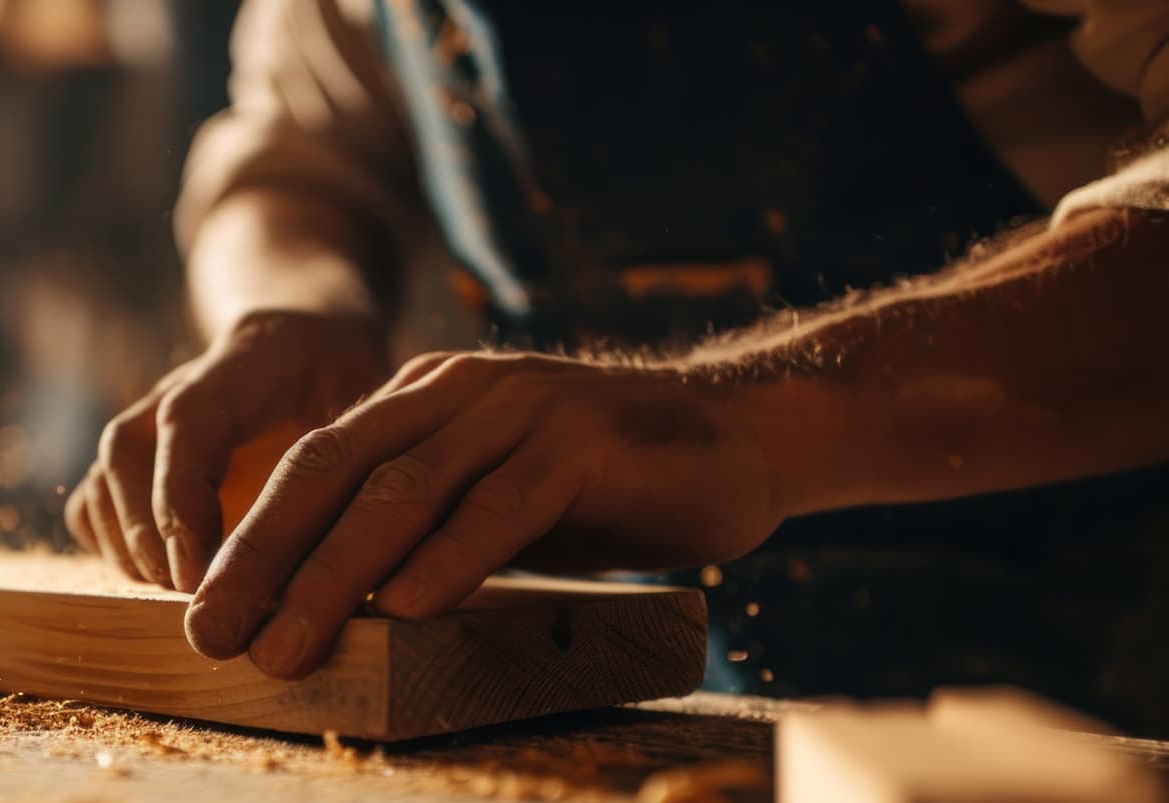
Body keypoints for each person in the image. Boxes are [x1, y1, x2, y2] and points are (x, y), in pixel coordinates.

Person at [65, 0, 1169, 727]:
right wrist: (292, 306)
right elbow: (301, 155)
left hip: (1097, 686)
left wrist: (750, 424)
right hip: (638, 701)